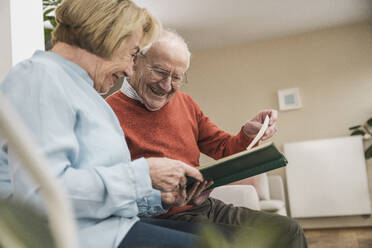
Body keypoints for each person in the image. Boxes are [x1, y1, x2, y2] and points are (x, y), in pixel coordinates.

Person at [0, 1, 215, 248]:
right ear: (107, 37)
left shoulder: (89, 95)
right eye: (133, 54)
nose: (129, 70)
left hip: (115, 228)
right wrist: (144, 174)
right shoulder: (39, 78)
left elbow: (99, 198)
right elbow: (43, 196)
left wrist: (162, 199)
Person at [106, 30, 308, 247]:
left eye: (176, 77)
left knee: (289, 229)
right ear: (135, 62)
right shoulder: (108, 112)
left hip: (203, 205)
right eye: (160, 72)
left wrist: (248, 134)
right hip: (160, 217)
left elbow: (223, 147)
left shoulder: (186, 103)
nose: (166, 85)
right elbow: (114, 185)